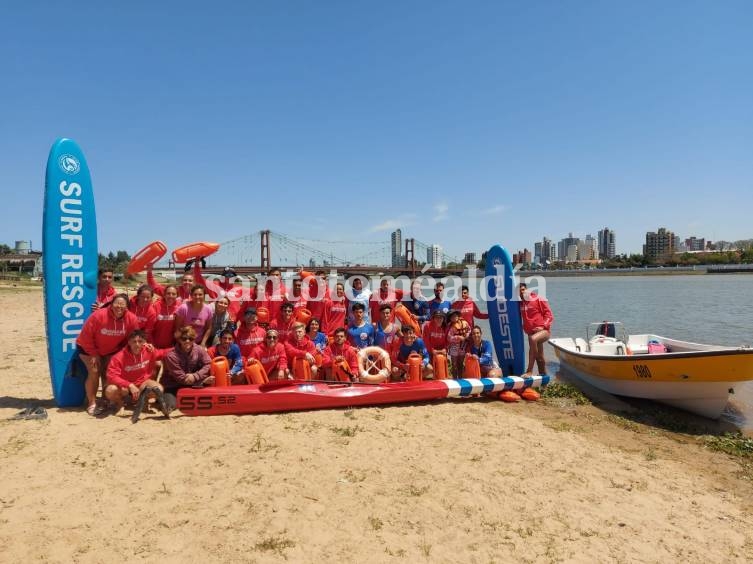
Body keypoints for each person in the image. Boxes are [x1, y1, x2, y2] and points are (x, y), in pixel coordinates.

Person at [76, 293, 141, 416]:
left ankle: (106, 400)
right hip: (88, 347)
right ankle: (92, 403)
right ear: (111, 304)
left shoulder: (131, 318)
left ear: (127, 307)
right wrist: (94, 354)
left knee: (109, 373)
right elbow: (86, 337)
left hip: (111, 349)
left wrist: (143, 346)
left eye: (123, 305)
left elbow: (134, 337)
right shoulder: (98, 315)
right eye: (117, 303)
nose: (119, 307)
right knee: (94, 371)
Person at [104, 329, 167, 418]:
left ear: (145, 342)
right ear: (129, 342)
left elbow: (164, 352)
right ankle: (119, 404)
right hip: (125, 387)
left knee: (159, 389)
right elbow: (111, 376)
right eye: (134, 341)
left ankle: (143, 401)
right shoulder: (118, 357)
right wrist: (129, 385)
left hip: (142, 384)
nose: (137, 344)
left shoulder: (149, 351)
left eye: (140, 341)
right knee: (110, 390)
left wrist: (186, 345)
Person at [161, 326, 213, 411]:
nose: (187, 341)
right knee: (169, 407)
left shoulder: (199, 349)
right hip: (173, 386)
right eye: (184, 338)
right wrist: (202, 380)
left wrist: (195, 376)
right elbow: (181, 378)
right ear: (179, 339)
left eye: (191, 338)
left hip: (193, 383)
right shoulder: (171, 355)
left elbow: (208, 363)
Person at [519, 282, 554, 376]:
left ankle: (529, 370)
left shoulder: (538, 299)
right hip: (531, 332)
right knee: (540, 357)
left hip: (544, 331)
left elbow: (549, 315)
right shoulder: (520, 303)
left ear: (527, 289)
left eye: (523, 290)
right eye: (519, 291)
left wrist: (543, 326)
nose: (522, 293)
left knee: (533, 339)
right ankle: (544, 378)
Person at [151, 284, 180, 350]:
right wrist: (151, 342)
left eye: (173, 294)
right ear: (164, 294)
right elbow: (150, 327)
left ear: (177, 295)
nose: (171, 296)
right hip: (154, 344)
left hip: (171, 345)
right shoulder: (156, 305)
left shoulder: (179, 306)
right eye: (168, 293)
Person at [446, 309, 471, 378]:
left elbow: (469, 330)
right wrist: (458, 337)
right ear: (450, 319)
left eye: (455, 315)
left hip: (463, 346)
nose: (454, 317)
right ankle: (454, 379)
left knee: (460, 363)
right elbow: (449, 338)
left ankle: (460, 378)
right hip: (454, 346)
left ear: (458, 315)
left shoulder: (465, 323)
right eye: (452, 317)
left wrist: (467, 335)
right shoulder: (452, 327)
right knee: (454, 364)